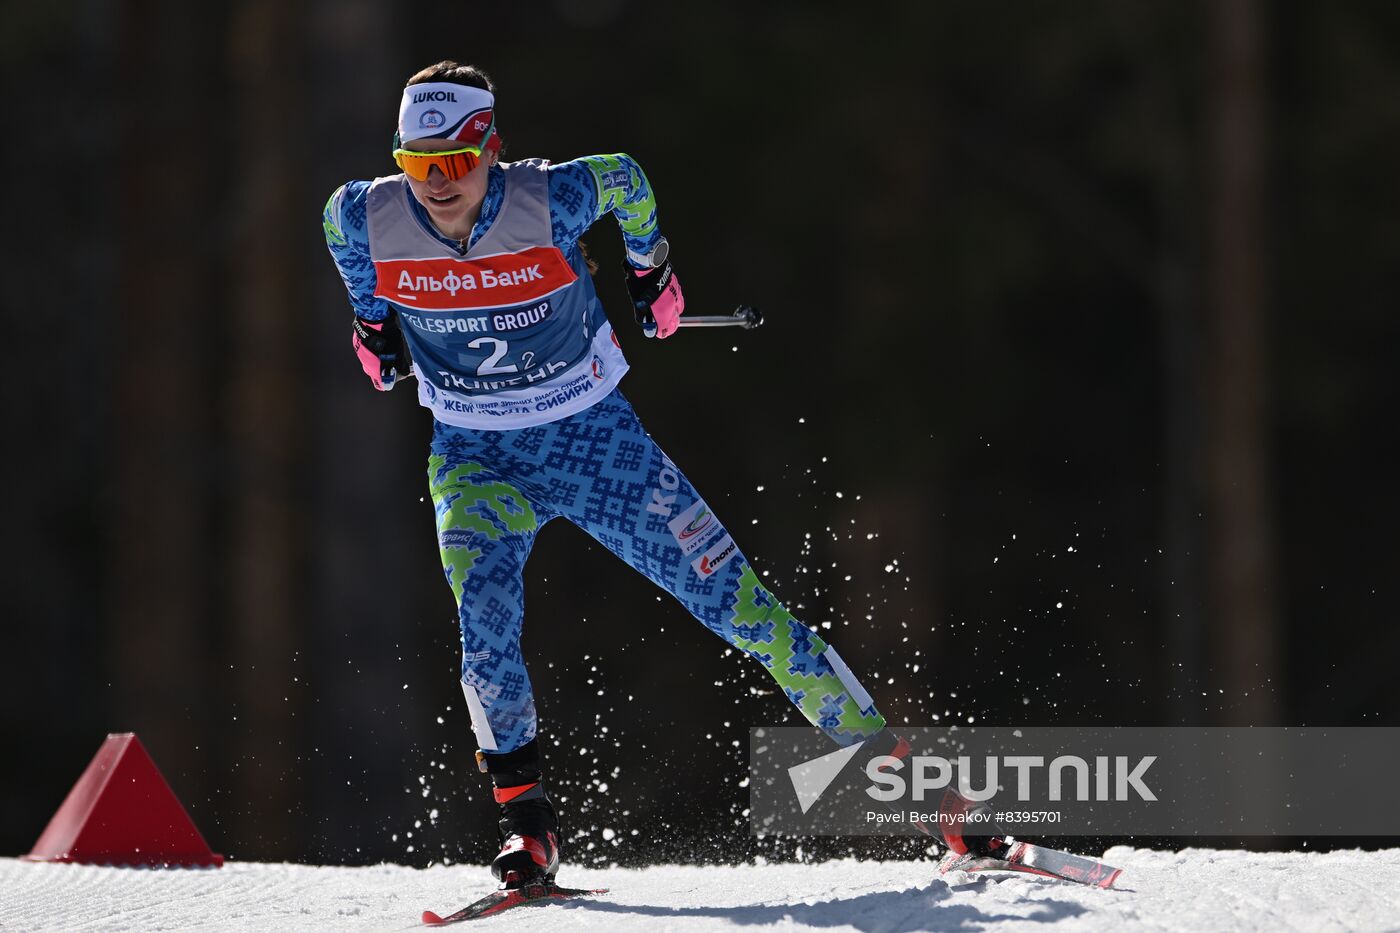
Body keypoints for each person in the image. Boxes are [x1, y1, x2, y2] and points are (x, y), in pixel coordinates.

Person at [322, 60, 893, 888]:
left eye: (454, 163)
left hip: (596, 446)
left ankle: (919, 786)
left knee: (743, 609)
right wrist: (371, 325)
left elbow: (626, 178)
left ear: (492, 147)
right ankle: (531, 831)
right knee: (483, 637)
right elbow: (343, 245)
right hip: (477, 459)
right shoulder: (363, 215)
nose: (437, 185)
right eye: (418, 165)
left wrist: (649, 269)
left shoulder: (547, 199)